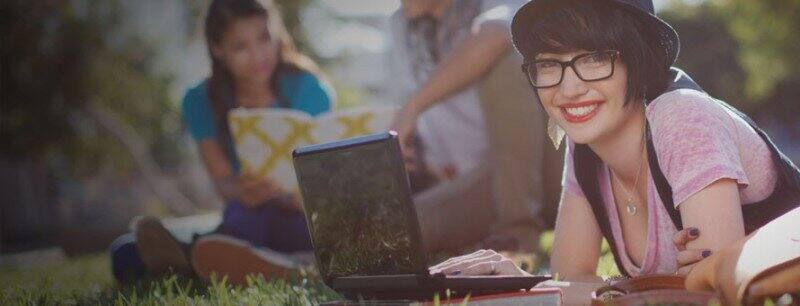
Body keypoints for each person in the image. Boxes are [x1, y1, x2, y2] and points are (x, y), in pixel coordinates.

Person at [430, 0, 800, 303]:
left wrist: (610, 291)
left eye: (594, 59)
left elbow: (715, 293)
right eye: (549, 65)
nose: (568, 89)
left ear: (636, 60)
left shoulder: (683, 116)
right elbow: (569, 277)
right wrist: (522, 285)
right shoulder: (586, 146)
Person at [109, 0, 334, 285]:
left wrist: (292, 197)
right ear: (217, 48)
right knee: (124, 253)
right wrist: (241, 189)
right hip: (246, 219)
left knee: (251, 225)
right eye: (241, 47)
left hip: (301, 218)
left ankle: (203, 259)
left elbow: (325, 181)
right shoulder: (200, 100)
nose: (258, 55)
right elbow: (223, 183)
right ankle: (276, 263)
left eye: (264, 39)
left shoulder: (309, 88)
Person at [388, 0, 552, 255]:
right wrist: (420, 158)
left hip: (544, 171)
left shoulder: (494, 5)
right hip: (476, 182)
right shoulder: (400, 25)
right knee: (399, 229)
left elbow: (498, 35)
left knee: (509, 62)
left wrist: (411, 108)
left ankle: (517, 237)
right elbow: (427, 119)